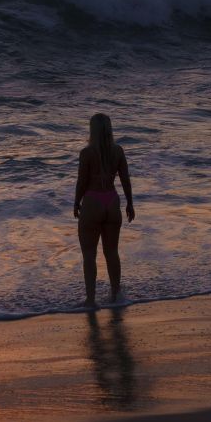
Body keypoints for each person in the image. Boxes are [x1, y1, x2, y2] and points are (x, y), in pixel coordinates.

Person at [74, 113, 134, 308]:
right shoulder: (118, 151)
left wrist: (76, 202)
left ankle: (91, 300)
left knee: (89, 254)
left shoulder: (87, 152)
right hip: (112, 201)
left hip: (92, 201)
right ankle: (116, 296)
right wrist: (130, 203)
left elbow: (82, 181)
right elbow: (125, 179)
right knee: (112, 252)